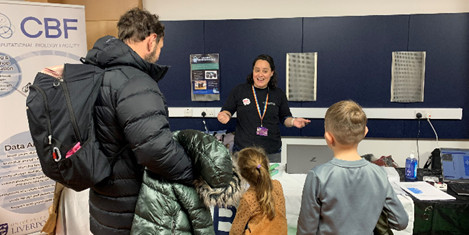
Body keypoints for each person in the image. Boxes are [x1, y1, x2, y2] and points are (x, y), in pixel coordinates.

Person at [85, 8, 194, 234]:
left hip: (103, 203)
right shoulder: (135, 82)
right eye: (161, 47)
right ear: (151, 40)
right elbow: (156, 150)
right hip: (132, 210)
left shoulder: (96, 73)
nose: (159, 53)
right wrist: (191, 173)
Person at [297, 100, 408, 235]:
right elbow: (400, 221)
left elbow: (306, 230)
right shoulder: (379, 173)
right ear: (365, 132)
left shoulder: (318, 176)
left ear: (328, 137)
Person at [217, 54, 311, 162]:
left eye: (265, 71)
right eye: (257, 70)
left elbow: (285, 118)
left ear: (271, 73)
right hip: (244, 152)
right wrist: (225, 115)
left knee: (271, 179)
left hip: (271, 152)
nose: (260, 74)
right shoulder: (240, 90)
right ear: (253, 71)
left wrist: (294, 121)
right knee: (242, 179)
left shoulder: (278, 94)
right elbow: (227, 110)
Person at [230, 147, 287, 235]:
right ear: (266, 165)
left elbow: (235, 231)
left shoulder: (248, 198)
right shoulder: (277, 185)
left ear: (242, 175)